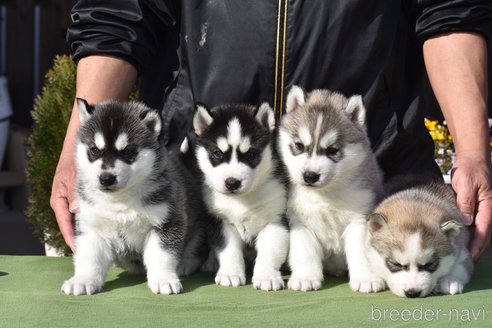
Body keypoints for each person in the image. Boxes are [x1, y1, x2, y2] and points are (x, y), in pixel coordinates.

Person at [51, 1, 491, 260]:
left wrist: (472, 153)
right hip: (207, 200)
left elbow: (451, 11)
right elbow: (118, 14)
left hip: (369, 201)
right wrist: (80, 144)